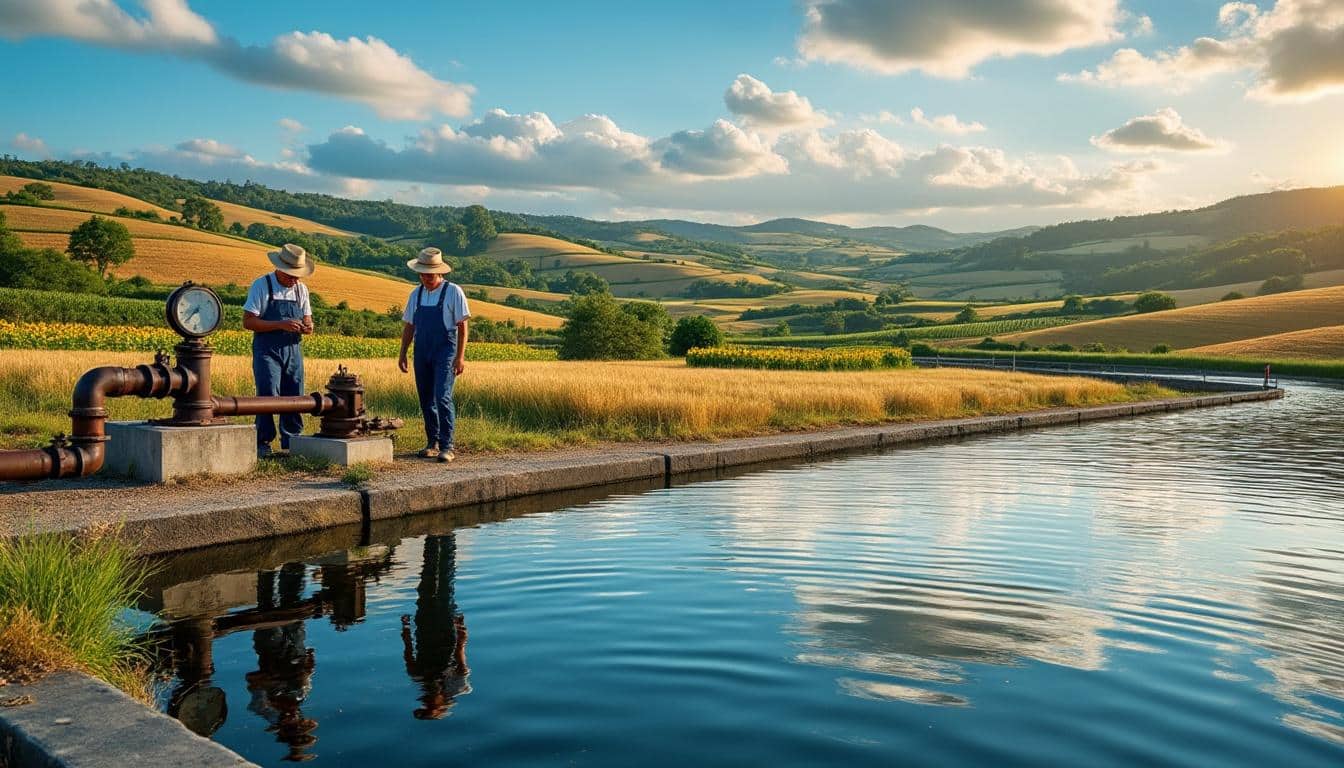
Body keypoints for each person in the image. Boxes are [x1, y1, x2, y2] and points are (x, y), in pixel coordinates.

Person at [243, 244, 315, 458]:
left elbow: (308, 318)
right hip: (267, 349)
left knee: (294, 393)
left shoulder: (301, 289)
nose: (295, 280)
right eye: (291, 275)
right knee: (267, 393)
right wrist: (280, 324)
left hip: (293, 349)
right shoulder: (262, 285)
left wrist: (308, 326)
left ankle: (292, 440)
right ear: (279, 268)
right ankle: (263, 441)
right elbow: (248, 322)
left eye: (298, 276)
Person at [398, 247, 470, 462]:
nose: (426, 278)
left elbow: (462, 327)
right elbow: (409, 326)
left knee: (443, 397)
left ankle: (447, 446)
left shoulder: (453, 291)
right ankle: (433, 442)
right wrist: (403, 353)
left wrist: (460, 357)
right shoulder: (416, 293)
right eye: (422, 274)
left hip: (445, 350)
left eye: (430, 274)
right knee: (425, 398)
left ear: (440, 272)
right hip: (421, 350)